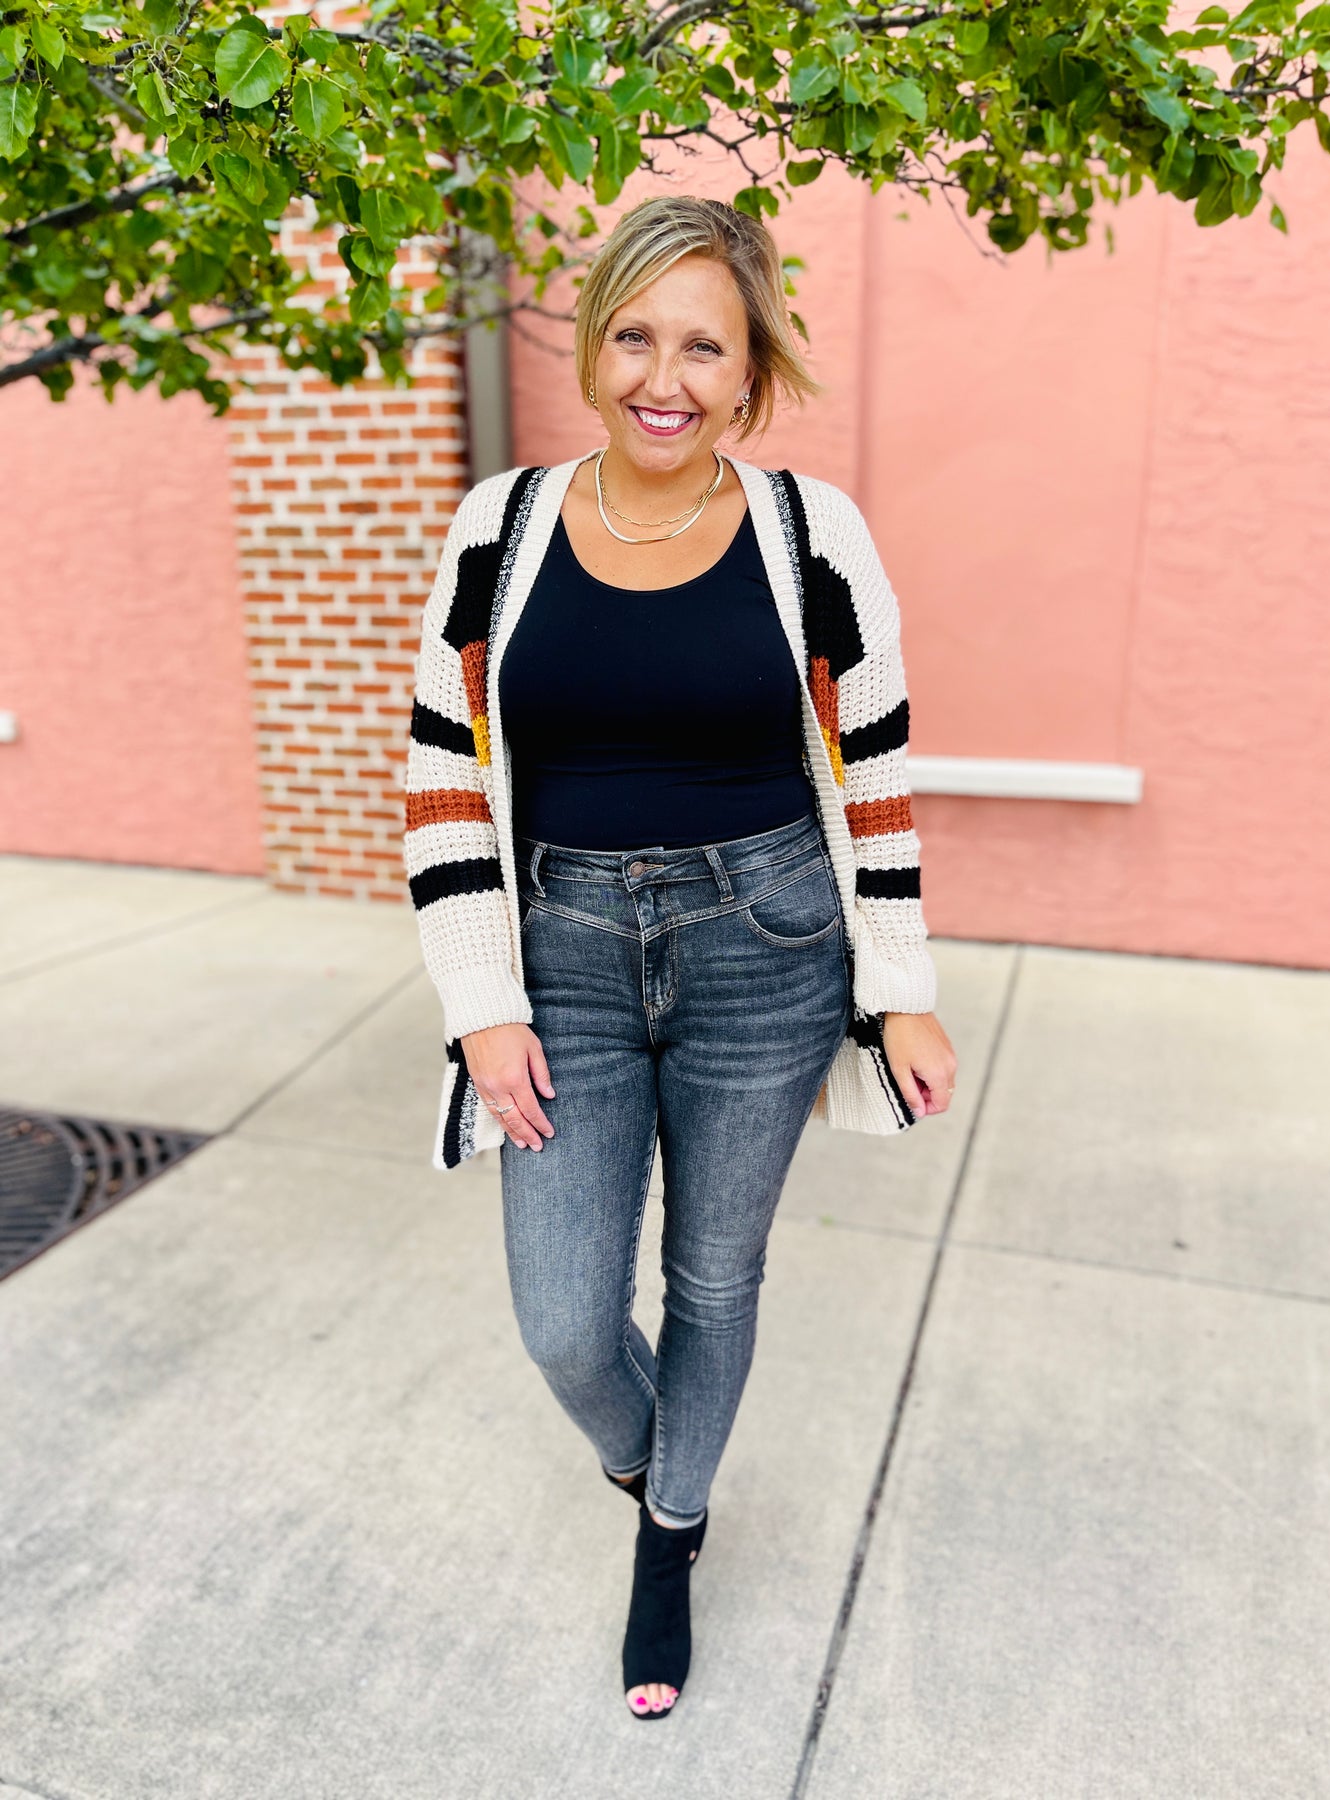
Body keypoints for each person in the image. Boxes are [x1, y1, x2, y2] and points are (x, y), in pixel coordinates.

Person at [403, 194, 958, 1722]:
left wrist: (900, 988)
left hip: (766, 941)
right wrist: (480, 1004)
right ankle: (659, 1466)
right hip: (561, 950)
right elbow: (443, 770)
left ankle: (670, 1539)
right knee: (566, 1320)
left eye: (704, 347)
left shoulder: (811, 533)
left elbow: (875, 769)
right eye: (636, 337)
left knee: (714, 1276)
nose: (666, 377)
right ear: (594, 347)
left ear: (751, 368)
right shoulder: (499, 527)